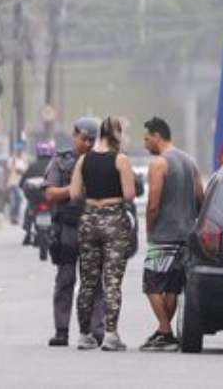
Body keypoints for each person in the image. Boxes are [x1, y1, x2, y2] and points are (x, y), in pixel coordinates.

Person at [69, 116, 137, 352]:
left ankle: (84, 334)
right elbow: (129, 195)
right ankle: (110, 335)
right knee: (112, 281)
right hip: (114, 220)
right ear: (116, 133)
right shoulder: (121, 160)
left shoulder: (83, 160)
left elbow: (74, 194)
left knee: (87, 281)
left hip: (89, 220)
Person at [139, 116, 204, 351]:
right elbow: (201, 197)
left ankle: (165, 332)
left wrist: (150, 229)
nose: (145, 143)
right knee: (172, 287)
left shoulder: (159, 163)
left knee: (152, 284)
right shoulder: (190, 161)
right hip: (186, 235)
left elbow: (153, 204)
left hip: (164, 235)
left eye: (147, 139)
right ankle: (163, 331)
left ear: (157, 136)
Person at [42, 122, 104, 347]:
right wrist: (75, 189)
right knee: (65, 280)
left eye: (92, 140)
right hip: (67, 228)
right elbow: (50, 193)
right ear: (74, 136)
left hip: (93, 227)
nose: (87, 144)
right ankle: (61, 330)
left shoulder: (102, 161)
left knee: (94, 282)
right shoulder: (60, 161)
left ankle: (96, 330)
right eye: (83, 139)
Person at [22, 141, 56, 246]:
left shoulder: (32, 166)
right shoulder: (55, 166)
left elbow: (21, 183)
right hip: (50, 198)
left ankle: (28, 234)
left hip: (35, 199)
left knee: (29, 209)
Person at [5, 145, 28, 223]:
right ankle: (13, 215)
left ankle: (15, 216)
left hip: (20, 183)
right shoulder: (12, 160)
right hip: (13, 183)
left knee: (18, 200)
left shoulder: (22, 161)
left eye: (20, 151)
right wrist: (14, 164)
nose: (19, 153)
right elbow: (9, 169)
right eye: (18, 151)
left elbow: (25, 171)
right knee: (17, 198)